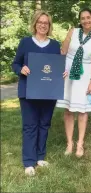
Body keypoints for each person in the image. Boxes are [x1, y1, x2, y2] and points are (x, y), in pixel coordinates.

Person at [11, 10, 64, 176]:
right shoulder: (25, 42)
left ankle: (40, 157)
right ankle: (29, 161)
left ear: (49, 26)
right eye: (40, 22)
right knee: (30, 125)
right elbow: (15, 64)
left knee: (44, 124)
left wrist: (62, 72)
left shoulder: (55, 45)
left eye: (46, 23)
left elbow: (56, 67)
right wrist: (21, 69)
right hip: (28, 91)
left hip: (48, 92)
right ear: (35, 23)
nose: (43, 25)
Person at [56, 8, 91, 157]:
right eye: (83, 18)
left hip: (85, 74)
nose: (86, 21)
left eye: (88, 17)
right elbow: (63, 51)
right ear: (80, 20)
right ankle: (69, 143)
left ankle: (80, 143)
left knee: (83, 110)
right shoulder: (73, 32)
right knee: (68, 109)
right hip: (68, 73)